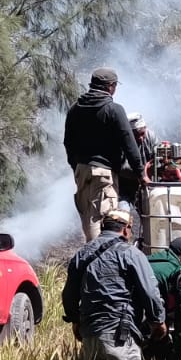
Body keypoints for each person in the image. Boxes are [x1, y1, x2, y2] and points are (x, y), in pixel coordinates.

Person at [61, 207, 166, 360]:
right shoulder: (131, 254)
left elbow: (69, 294)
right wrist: (158, 321)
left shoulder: (81, 254)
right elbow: (150, 292)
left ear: (102, 227)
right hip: (120, 334)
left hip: (90, 334)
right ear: (127, 230)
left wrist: (75, 321)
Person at [63, 68, 145, 241]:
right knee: (103, 220)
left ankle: (92, 255)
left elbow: (68, 143)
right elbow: (129, 143)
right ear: (110, 87)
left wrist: (76, 166)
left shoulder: (75, 109)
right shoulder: (114, 110)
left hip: (82, 170)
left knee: (88, 218)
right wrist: (140, 173)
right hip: (104, 174)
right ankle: (100, 259)